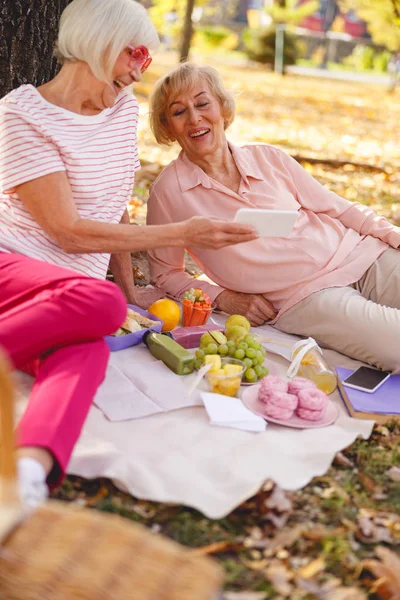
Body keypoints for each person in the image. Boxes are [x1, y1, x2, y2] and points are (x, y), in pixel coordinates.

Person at [0, 3, 257, 507]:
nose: (141, 71)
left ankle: (29, 474)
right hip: (12, 267)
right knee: (101, 306)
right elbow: (68, 232)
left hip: (64, 296)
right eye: (133, 54)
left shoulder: (122, 109)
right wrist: (182, 231)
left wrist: (133, 286)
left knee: (90, 348)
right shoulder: (20, 117)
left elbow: (114, 204)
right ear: (99, 43)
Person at [146, 62, 400, 374]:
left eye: (202, 103)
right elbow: (166, 275)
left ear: (222, 109)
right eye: (178, 111)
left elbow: (338, 207)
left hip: (360, 253)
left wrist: (391, 235)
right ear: (167, 126)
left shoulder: (268, 157)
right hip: (305, 297)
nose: (195, 118)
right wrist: (224, 298)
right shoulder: (168, 192)